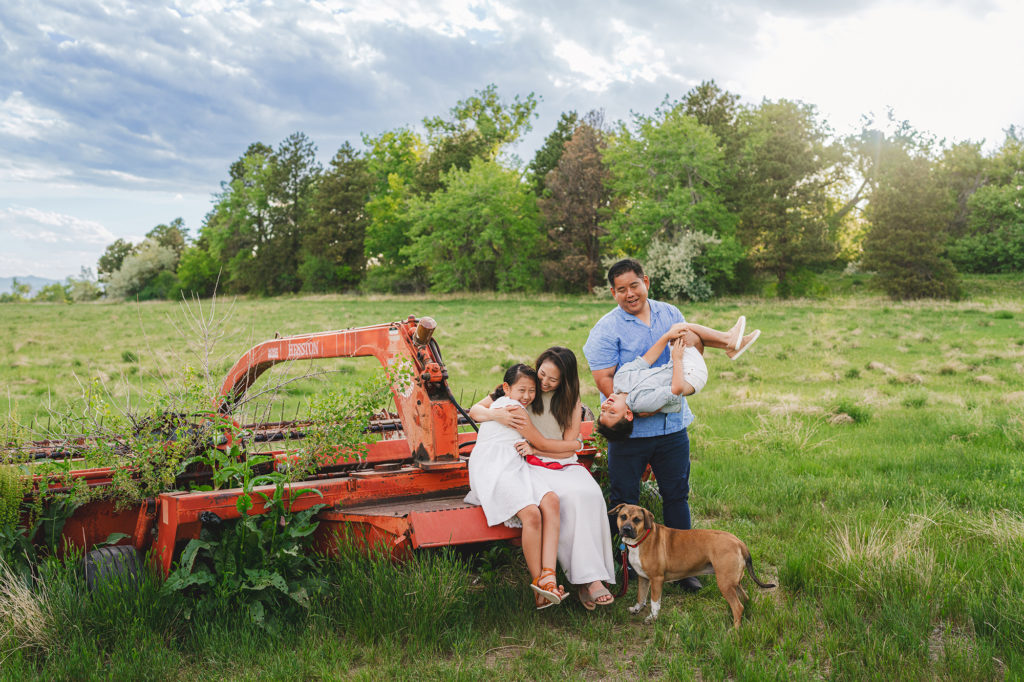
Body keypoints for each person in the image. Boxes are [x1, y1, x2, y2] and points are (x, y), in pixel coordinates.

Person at [582, 258, 705, 592]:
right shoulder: (607, 328)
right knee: (623, 499)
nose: (629, 294)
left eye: (634, 285)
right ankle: (623, 568)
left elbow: (689, 354)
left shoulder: (670, 314)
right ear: (613, 293)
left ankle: (684, 568)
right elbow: (603, 378)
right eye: (620, 289)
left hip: (672, 428)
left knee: (676, 495)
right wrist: (632, 406)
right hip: (630, 433)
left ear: (645, 281)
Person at [470, 347, 616, 610]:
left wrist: (541, 448)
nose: (545, 382)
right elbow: (477, 410)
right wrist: (496, 414)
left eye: (553, 379)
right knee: (567, 499)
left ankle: (591, 576)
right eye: (543, 374)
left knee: (591, 496)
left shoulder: (570, 398)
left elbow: (572, 445)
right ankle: (583, 580)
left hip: (559, 459)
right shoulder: (523, 386)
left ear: (565, 380)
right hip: (532, 463)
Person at [464, 364, 567, 610]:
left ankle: (549, 576)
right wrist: (573, 445)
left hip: (513, 462)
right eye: (522, 390)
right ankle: (540, 585)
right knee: (531, 514)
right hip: (494, 467)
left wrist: (492, 413)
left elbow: (477, 409)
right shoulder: (514, 408)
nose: (528, 396)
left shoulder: (503, 401)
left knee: (551, 500)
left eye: (532, 391)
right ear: (507, 389)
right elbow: (540, 441)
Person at [596, 319, 761, 440]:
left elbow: (646, 359)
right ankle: (728, 340)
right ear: (629, 415)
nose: (606, 406)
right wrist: (677, 358)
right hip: (690, 376)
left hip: (678, 367)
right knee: (683, 331)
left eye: (603, 410)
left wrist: (667, 336)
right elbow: (676, 390)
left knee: (681, 333)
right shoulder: (639, 403)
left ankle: (731, 346)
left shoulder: (620, 380)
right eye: (612, 412)